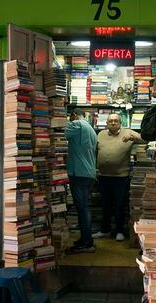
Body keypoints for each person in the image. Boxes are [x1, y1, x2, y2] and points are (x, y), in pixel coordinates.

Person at [93, 113, 146, 241]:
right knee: (105, 205)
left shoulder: (127, 132)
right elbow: (94, 151)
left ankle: (119, 231)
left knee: (119, 205)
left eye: (115, 121)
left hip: (121, 177)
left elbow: (145, 139)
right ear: (106, 122)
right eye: (110, 121)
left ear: (120, 122)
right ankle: (105, 230)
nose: (112, 123)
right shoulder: (100, 134)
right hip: (103, 176)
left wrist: (133, 137)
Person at [65, 108, 97, 253]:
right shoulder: (91, 129)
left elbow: (59, 132)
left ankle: (86, 242)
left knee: (82, 208)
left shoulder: (76, 124)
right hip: (89, 172)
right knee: (84, 207)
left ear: (73, 115)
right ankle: (86, 239)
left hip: (78, 173)